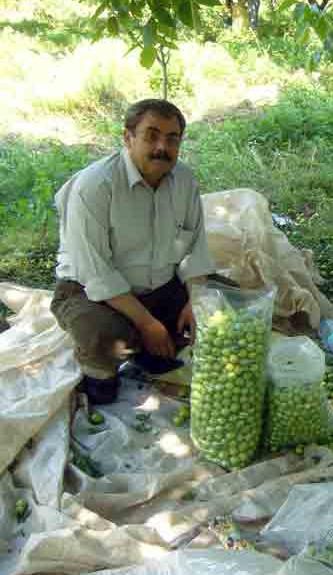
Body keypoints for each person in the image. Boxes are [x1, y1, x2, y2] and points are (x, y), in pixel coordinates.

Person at [51, 99, 216, 405]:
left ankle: (150, 350)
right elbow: (96, 274)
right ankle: (100, 371)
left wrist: (196, 300)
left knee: (221, 306)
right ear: (128, 138)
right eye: (151, 136)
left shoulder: (185, 181)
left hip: (158, 285)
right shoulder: (95, 187)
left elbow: (195, 249)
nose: (161, 147)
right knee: (105, 336)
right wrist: (148, 323)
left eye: (171, 138)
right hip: (90, 292)